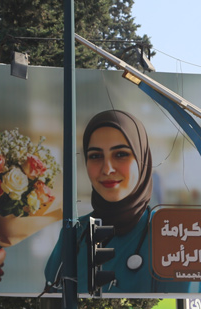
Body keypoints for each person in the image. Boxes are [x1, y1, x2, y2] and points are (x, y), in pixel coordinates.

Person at [45, 109, 154, 294]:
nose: (107, 168)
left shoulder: (167, 236)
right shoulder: (75, 232)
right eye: (95, 156)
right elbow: (51, 300)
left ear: (142, 160)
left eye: (120, 154)